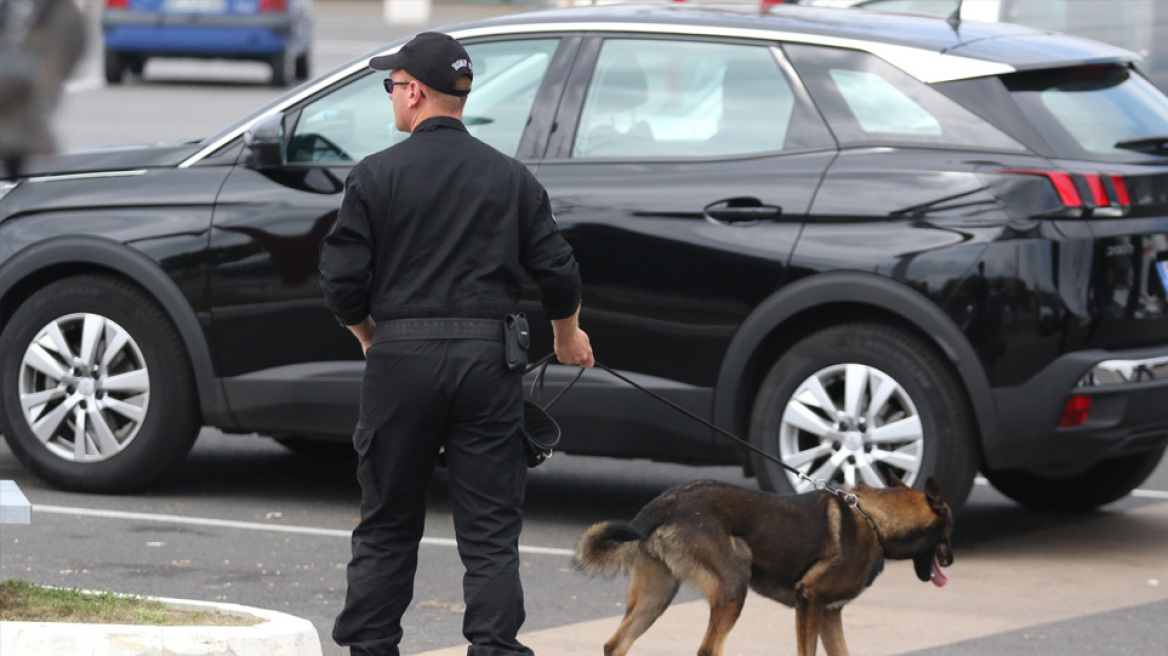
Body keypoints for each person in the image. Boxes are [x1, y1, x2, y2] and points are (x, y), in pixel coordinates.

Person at [318, 31, 594, 656]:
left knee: (387, 523)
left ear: (415, 93)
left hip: (401, 359)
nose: (390, 95)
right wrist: (568, 337)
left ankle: (370, 647)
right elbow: (558, 270)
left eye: (392, 85)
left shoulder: (375, 175)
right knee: (491, 531)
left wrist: (369, 335)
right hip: (487, 364)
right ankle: (494, 648)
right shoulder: (510, 177)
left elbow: (339, 279)